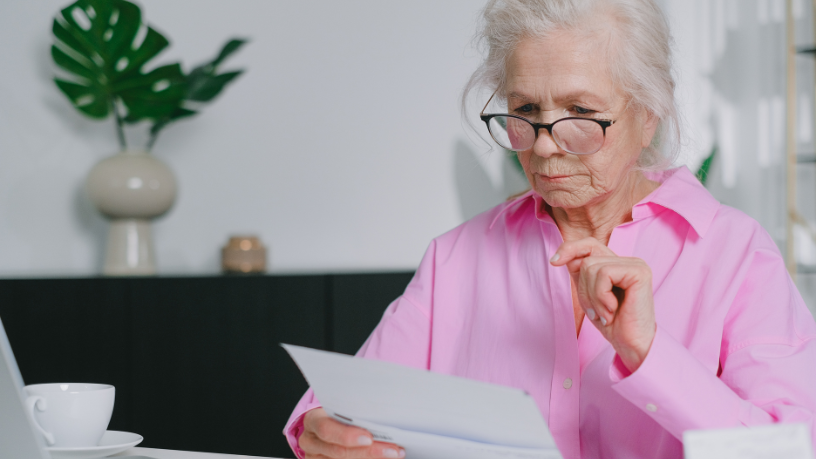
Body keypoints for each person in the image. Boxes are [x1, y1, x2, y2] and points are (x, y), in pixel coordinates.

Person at [284, 0, 816, 458]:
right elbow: (342, 407)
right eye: (525, 111)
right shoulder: (457, 257)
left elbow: (789, 449)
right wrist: (321, 431)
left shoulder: (735, 253)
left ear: (649, 112)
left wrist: (650, 354)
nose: (541, 146)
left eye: (581, 111)